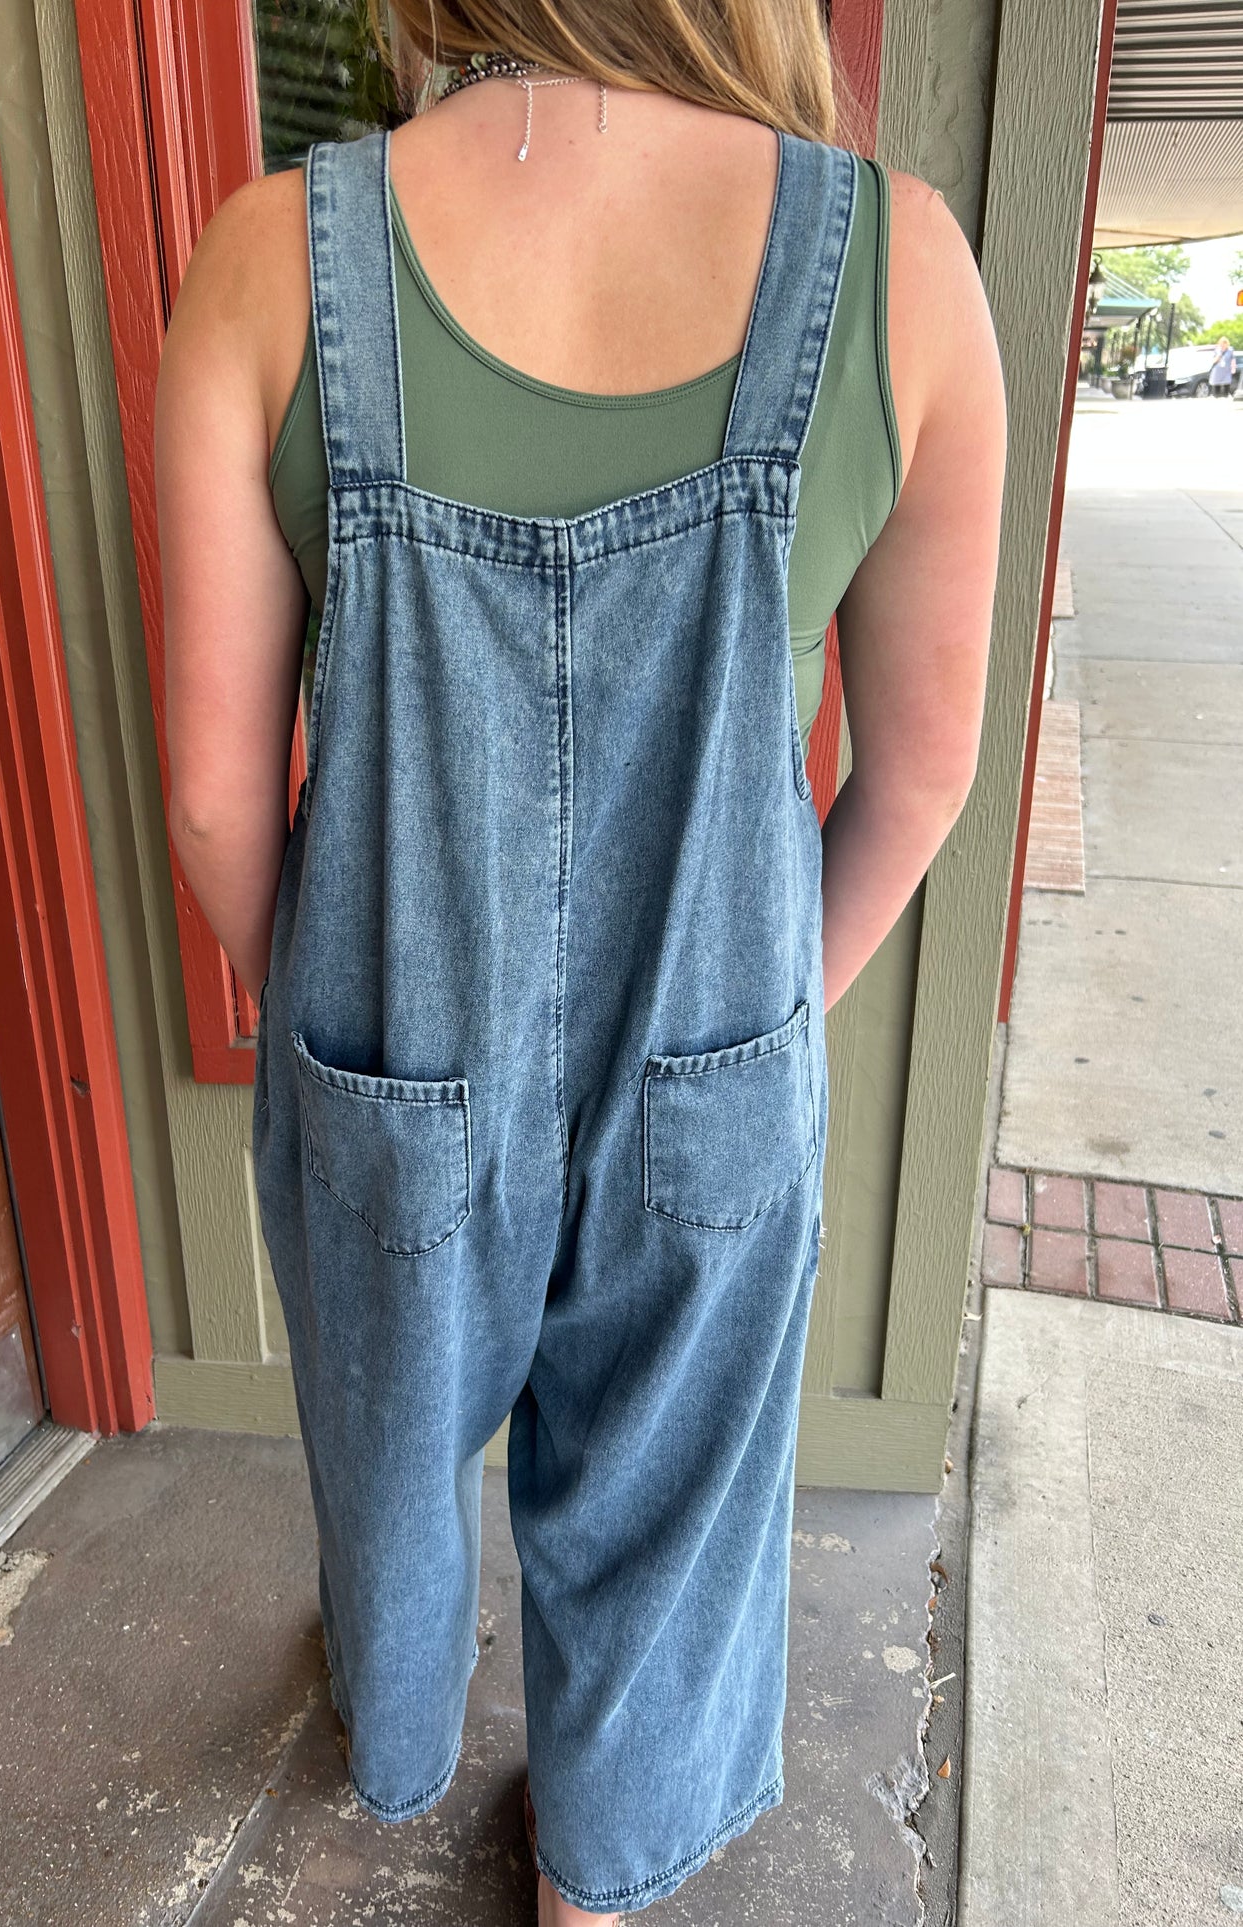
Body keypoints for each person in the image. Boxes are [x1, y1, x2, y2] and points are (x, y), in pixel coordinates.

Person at [154, 4, 1005, 1920]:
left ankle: (395, 1712)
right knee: (667, 1501)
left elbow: (216, 809)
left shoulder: (269, 256)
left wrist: (333, 1035)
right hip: (711, 1036)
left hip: (385, 1033)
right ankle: (592, 1883)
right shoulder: (902, 265)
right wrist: (766, 1016)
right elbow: (921, 770)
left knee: (390, 1448)